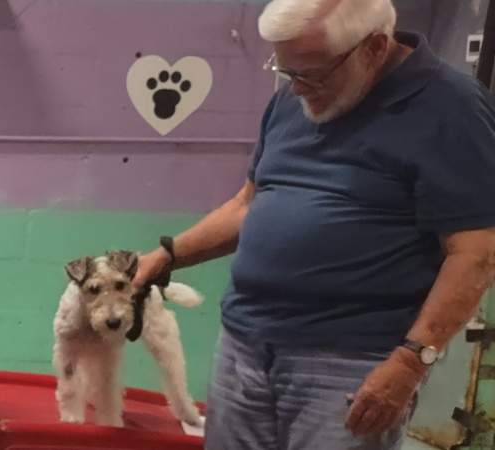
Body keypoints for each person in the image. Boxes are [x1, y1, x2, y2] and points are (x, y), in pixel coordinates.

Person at [128, 1, 495, 448]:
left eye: (312, 74)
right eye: (287, 72)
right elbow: (249, 203)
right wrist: (169, 254)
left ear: (374, 48)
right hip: (245, 344)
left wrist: (412, 361)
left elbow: (475, 251)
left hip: (347, 363)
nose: (298, 89)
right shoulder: (295, 98)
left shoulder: (450, 108)